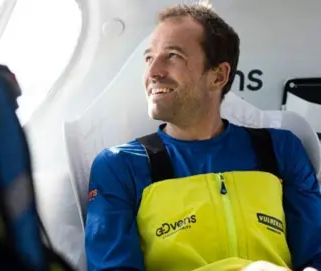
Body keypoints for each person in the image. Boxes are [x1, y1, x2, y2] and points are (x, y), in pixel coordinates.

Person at [84, 3, 321, 271]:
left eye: (173, 56)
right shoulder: (119, 165)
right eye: (149, 58)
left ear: (218, 76)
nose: (152, 73)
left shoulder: (281, 149)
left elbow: (316, 254)